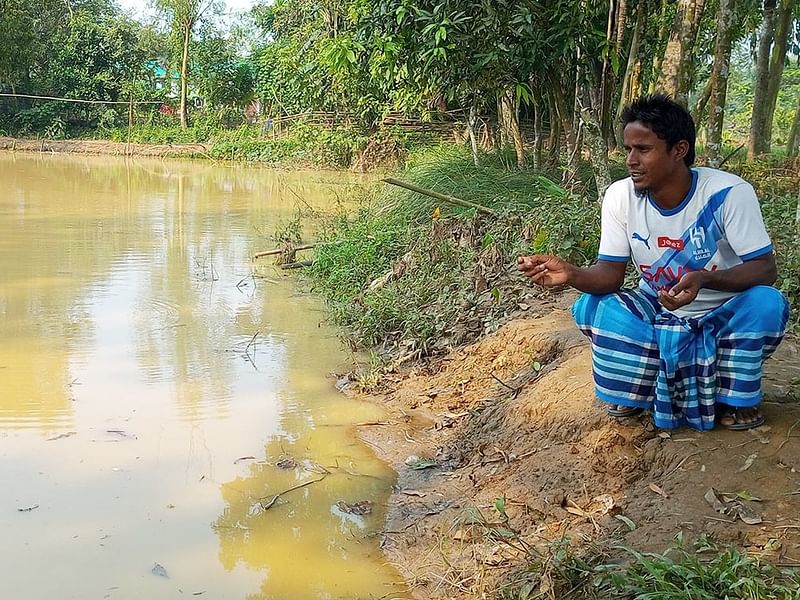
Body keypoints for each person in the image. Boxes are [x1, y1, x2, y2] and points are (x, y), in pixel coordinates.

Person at [518, 94, 790, 431]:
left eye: (643, 149)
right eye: (628, 149)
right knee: (591, 307)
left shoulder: (728, 194)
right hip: (658, 309)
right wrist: (572, 273)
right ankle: (644, 390)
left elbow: (765, 269)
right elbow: (609, 276)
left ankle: (731, 397)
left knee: (767, 303)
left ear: (678, 150)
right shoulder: (621, 196)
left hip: (724, 313)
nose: (631, 160)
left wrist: (704, 279)